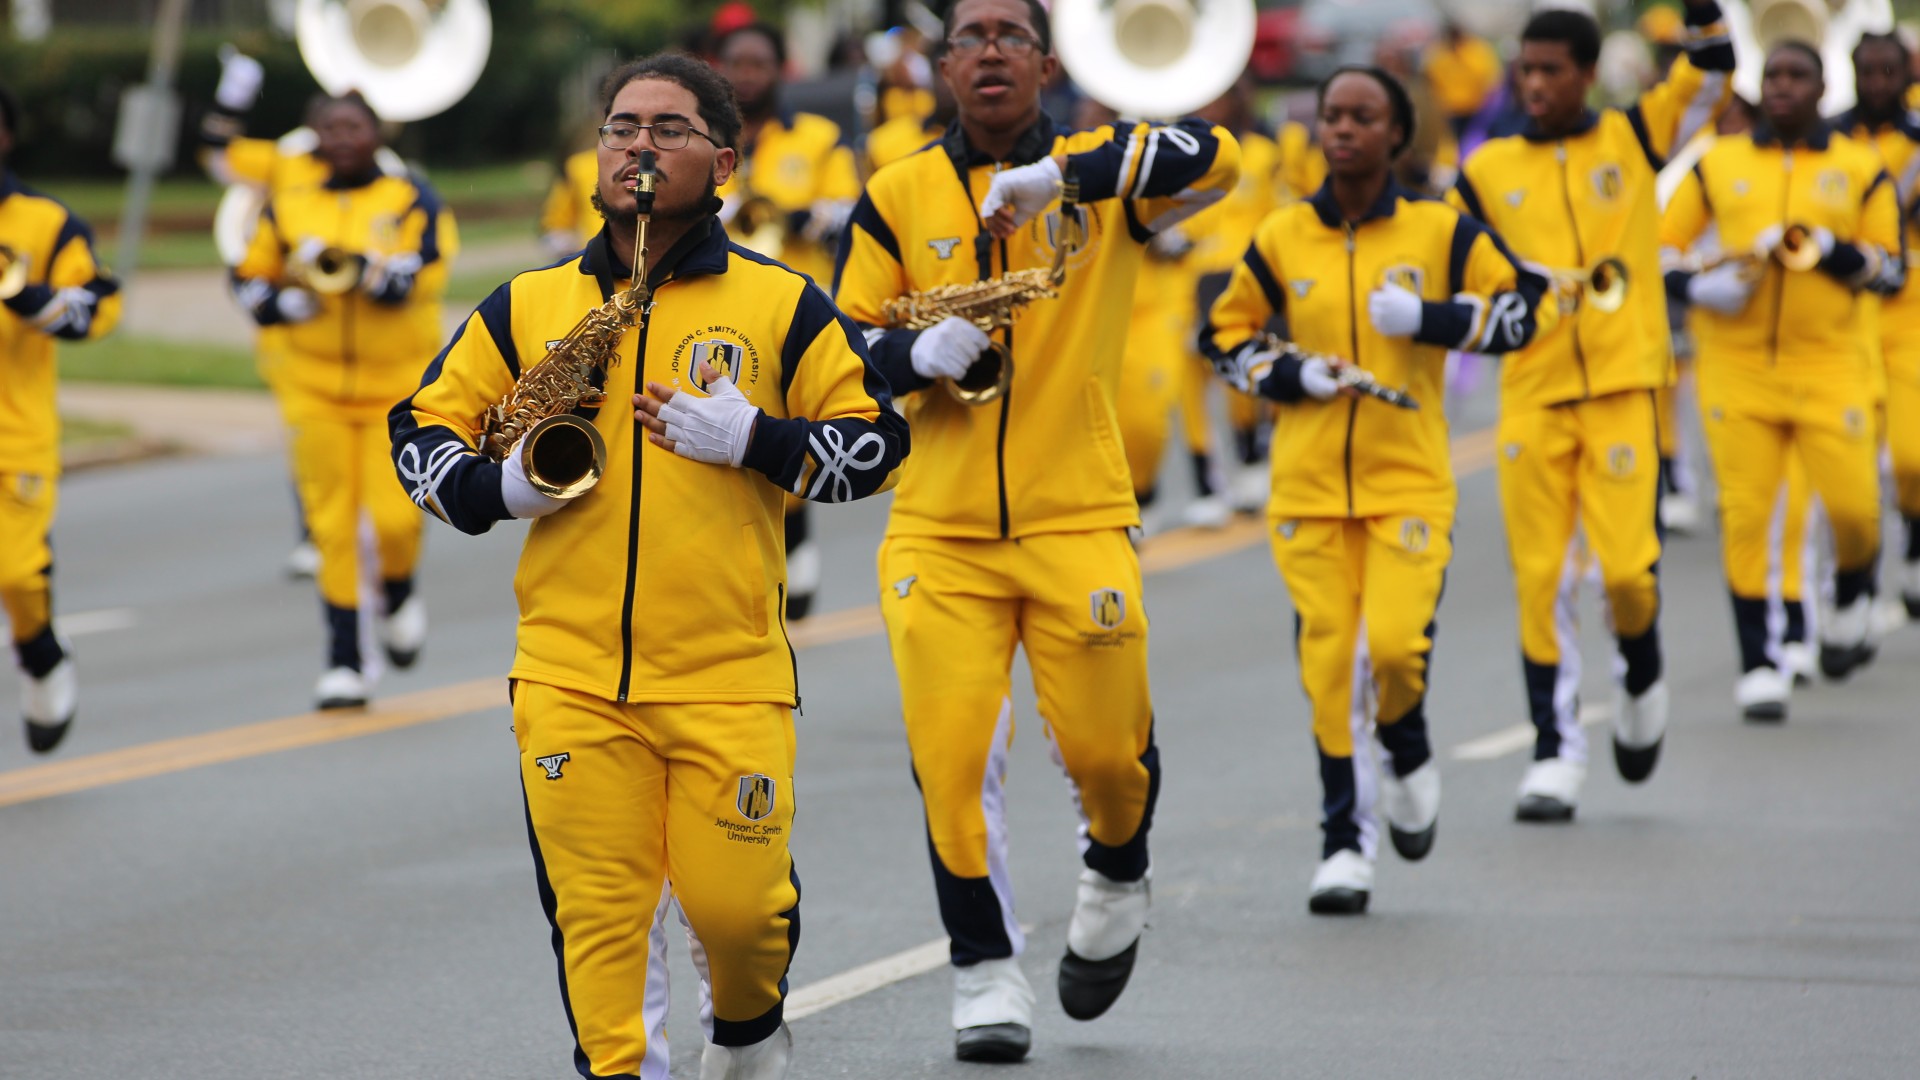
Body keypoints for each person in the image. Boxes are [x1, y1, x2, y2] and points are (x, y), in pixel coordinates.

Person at [391, 54, 906, 1080]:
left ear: (723, 160)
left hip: (728, 675)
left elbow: (881, 444)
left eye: (669, 130)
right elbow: (419, 432)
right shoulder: (529, 302)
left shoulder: (782, 304)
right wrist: (501, 492)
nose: (637, 145)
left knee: (741, 919)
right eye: (621, 126)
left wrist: (756, 439)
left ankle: (751, 1034)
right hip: (570, 678)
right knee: (601, 922)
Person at [833, 0, 1238, 1060]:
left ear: (1046, 61)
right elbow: (837, 352)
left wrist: (1068, 178)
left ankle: (1117, 865)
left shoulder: (1105, 178)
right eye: (971, 36)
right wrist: (907, 360)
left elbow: (1224, 157)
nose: (991, 52)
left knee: (1108, 756)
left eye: (1012, 34)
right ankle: (983, 967)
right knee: (952, 758)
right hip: (938, 528)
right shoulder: (893, 193)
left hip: (1080, 515)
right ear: (944, 63)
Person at [1202, 66, 1541, 914]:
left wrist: (1428, 320)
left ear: (1397, 134)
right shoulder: (1283, 235)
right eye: (1332, 116)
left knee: (1392, 649)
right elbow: (1223, 332)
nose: (1343, 130)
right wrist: (1287, 373)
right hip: (1308, 489)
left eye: (1363, 117)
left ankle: (1407, 742)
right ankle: (1344, 842)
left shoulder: (1440, 229)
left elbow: (1522, 313)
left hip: (1409, 483)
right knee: (1327, 668)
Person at [1447, 0, 1733, 821]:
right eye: (1526, 71)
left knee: (1627, 576)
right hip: (1532, 396)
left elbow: (1710, 76)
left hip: (1620, 389)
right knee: (1541, 580)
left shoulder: (1633, 138)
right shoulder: (1488, 169)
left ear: (1585, 72)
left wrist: (1702, 11)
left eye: (1552, 71)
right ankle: (1554, 751)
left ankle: (1640, 668)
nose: (1536, 85)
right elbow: (1449, 257)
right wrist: (1500, 282)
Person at [1660, 41, 1902, 720]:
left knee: (1855, 511)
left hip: (1832, 366)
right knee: (1748, 516)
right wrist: (1698, 286)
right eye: (1774, 78)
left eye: (1798, 77)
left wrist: (1831, 253)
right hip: (1738, 369)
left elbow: (1890, 269)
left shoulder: (1859, 166)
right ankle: (1760, 660)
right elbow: (1657, 247)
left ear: (1822, 87)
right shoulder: (1718, 162)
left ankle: (1853, 591)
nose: (1783, 89)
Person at [233, 92, 456, 710]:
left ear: (375, 132)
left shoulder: (411, 198)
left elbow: (425, 275)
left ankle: (400, 586)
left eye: (353, 126)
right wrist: (280, 303)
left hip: (398, 389)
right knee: (332, 525)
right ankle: (344, 663)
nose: (341, 137)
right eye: (328, 127)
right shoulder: (288, 204)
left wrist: (367, 269)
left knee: (394, 518)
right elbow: (248, 275)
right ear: (313, 135)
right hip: (313, 387)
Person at [716, 22, 865, 623]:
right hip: (721, 306)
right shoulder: (702, 138)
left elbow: (844, 212)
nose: (748, 74)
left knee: (784, 425)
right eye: (737, 63)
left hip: (796, 308)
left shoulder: (820, 137)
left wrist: (796, 214)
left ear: (781, 70)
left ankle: (796, 542)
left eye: (760, 63)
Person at [0, 83, 121, 755]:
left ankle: (41, 654)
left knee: (14, 574)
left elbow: (98, 304)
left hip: (14, 437)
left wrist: (36, 301)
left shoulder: (45, 222)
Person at [1833, 31, 1920, 622]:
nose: (1879, 84)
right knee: (1852, 460)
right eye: (1869, 72)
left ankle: (1915, 541)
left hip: (1911, 310)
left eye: (1890, 72)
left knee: (1912, 456)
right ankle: (1855, 580)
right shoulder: (1831, 137)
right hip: (1850, 312)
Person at [1424, 21, 1503, 136]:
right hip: (1451, 111)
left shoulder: (1477, 50)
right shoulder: (1438, 54)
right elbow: (1432, 80)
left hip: (1478, 109)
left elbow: (1489, 77)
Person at [538, 144, 600, 257]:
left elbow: (555, 225)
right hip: (596, 256)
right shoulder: (579, 166)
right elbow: (556, 223)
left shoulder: (579, 165)